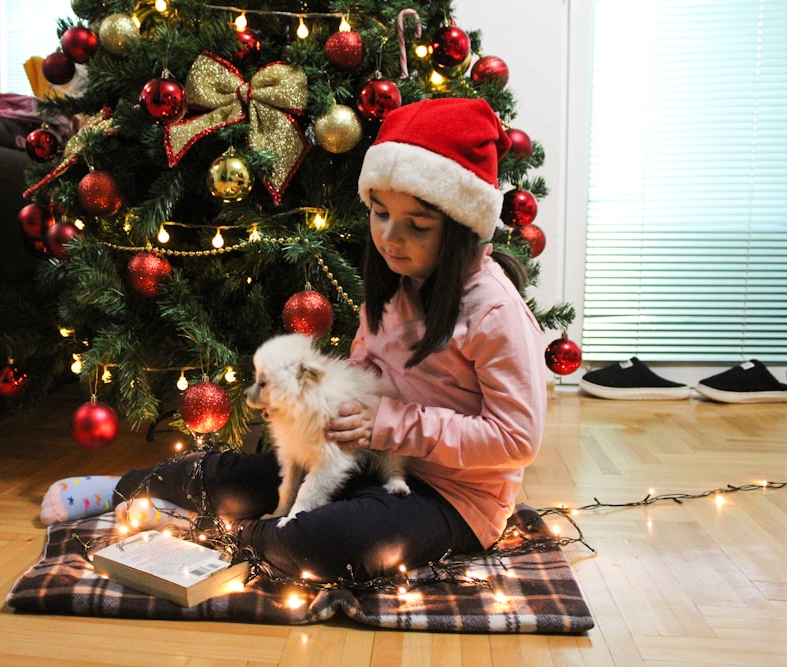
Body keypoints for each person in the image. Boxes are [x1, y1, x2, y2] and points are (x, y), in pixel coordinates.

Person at [40, 97, 547, 582]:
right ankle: (127, 488)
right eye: (380, 213)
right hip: (364, 458)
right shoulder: (394, 284)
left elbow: (517, 439)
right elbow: (364, 372)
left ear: (461, 226)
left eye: (417, 224)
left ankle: (229, 537)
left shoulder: (495, 313)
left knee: (320, 543)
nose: (391, 238)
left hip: (452, 498)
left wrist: (389, 426)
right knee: (237, 476)